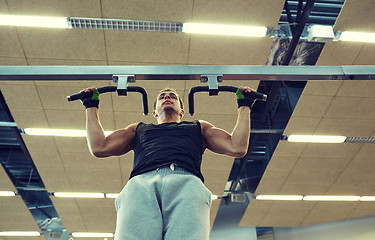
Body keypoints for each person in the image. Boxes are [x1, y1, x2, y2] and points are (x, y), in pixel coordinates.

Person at [80, 86, 256, 240]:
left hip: (186, 184)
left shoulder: (198, 127)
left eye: (172, 96)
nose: (167, 97)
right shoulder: (138, 129)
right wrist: (90, 106)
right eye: (162, 97)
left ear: (182, 111)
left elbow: (237, 147)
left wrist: (245, 106)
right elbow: (99, 147)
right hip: (141, 185)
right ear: (154, 112)